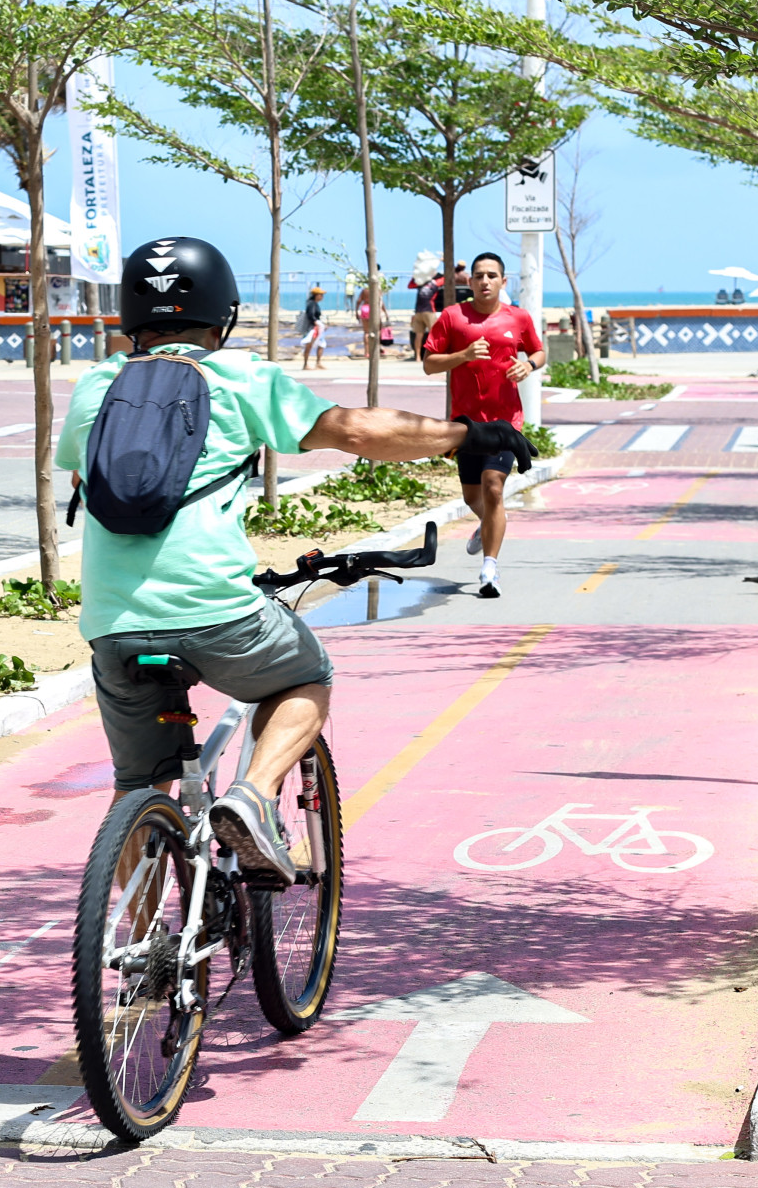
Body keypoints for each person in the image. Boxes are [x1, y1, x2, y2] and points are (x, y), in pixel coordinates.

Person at [58, 237, 535, 883]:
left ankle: (140, 971)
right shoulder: (237, 377)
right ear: (221, 313)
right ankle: (251, 797)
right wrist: (467, 433)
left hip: (113, 623)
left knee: (140, 784)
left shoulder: (94, 388)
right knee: (306, 676)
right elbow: (358, 430)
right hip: (214, 612)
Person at [421, 251, 545, 599]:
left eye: (492, 275)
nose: (485, 281)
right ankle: (486, 525)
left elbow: (538, 351)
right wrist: (462, 356)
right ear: (469, 282)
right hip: (465, 425)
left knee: (494, 488)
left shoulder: (518, 317)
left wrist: (529, 367)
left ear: (503, 282)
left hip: (506, 423)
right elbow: (429, 364)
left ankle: (489, 569)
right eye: (479, 275)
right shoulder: (452, 317)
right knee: (473, 496)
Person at [409, 266, 443, 362]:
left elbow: (410, 285)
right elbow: (445, 278)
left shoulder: (420, 283)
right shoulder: (434, 283)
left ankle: (418, 357)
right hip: (428, 311)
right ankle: (429, 355)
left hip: (419, 311)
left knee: (419, 335)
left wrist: (416, 275)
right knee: (434, 334)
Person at [298, 285, 327, 371]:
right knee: (309, 345)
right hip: (312, 328)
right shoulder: (311, 304)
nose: (322, 297)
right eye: (321, 295)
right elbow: (310, 315)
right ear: (316, 295)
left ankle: (318, 363)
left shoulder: (314, 304)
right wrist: (317, 324)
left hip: (317, 326)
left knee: (321, 344)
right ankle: (305, 364)